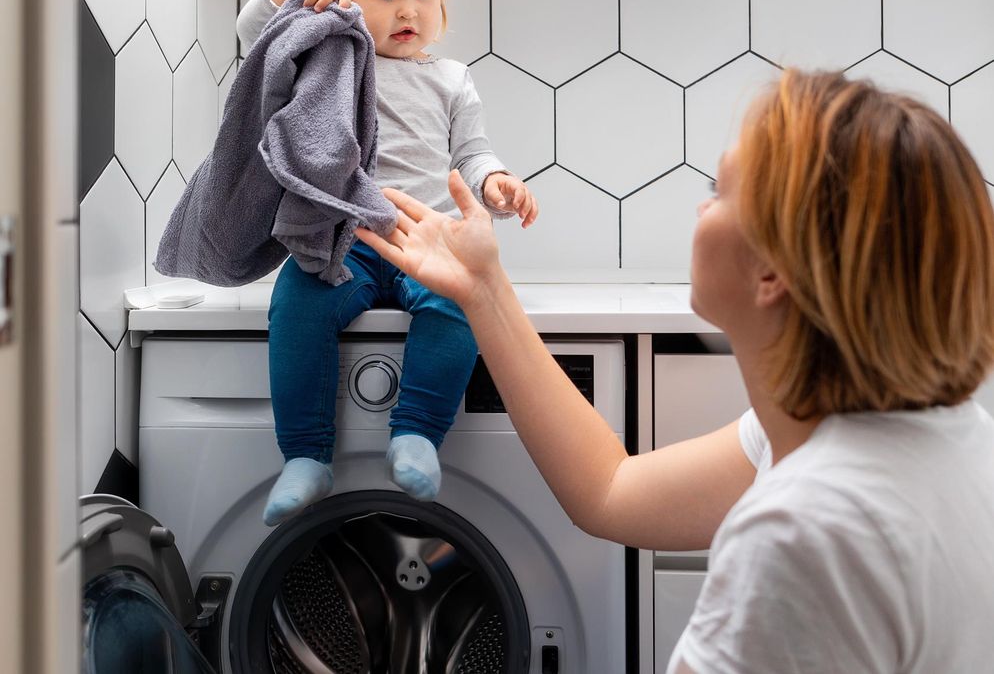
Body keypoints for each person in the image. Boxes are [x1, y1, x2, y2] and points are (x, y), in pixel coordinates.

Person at [357, 69, 994, 673]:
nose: (698, 211)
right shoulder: (923, 431)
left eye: (718, 191)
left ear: (773, 271)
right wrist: (483, 288)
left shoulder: (803, 535)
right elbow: (610, 492)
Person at [236, 0, 539, 527]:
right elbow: (253, 37)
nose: (409, 12)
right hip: (346, 240)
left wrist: (498, 183)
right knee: (294, 304)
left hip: (426, 240)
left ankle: (418, 434)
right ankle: (306, 456)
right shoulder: (330, 57)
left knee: (458, 302)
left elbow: (472, 154)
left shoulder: (452, 79)